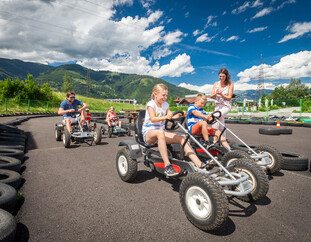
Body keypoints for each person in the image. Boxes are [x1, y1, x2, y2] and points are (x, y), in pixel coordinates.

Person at [142, 83, 208, 177]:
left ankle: (199, 164)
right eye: (163, 95)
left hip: (160, 132)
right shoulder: (151, 104)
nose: (165, 97)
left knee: (182, 138)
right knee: (160, 133)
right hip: (149, 133)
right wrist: (166, 116)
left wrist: (181, 114)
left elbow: (171, 116)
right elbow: (153, 118)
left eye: (166, 95)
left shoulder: (166, 105)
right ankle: (167, 166)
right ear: (156, 94)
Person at [209, 68, 234, 139]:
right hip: (217, 106)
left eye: (223, 76)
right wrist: (216, 94)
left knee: (215, 117)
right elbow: (211, 95)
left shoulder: (230, 84)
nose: (221, 78)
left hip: (226, 106)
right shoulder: (216, 84)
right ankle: (223, 140)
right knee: (221, 124)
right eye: (220, 76)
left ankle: (214, 139)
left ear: (226, 76)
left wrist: (221, 94)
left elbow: (229, 97)